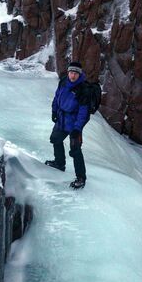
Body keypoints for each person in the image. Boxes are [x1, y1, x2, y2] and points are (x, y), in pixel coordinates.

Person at [45, 61, 90, 189]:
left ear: (79, 74)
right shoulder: (64, 82)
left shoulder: (83, 89)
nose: (73, 75)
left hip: (74, 122)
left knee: (75, 150)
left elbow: (83, 112)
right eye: (71, 72)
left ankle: (81, 178)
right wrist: (54, 111)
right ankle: (60, 163)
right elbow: (56, 97)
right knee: (55, 139)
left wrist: (77, 128)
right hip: (62, 118)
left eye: (75, 73)